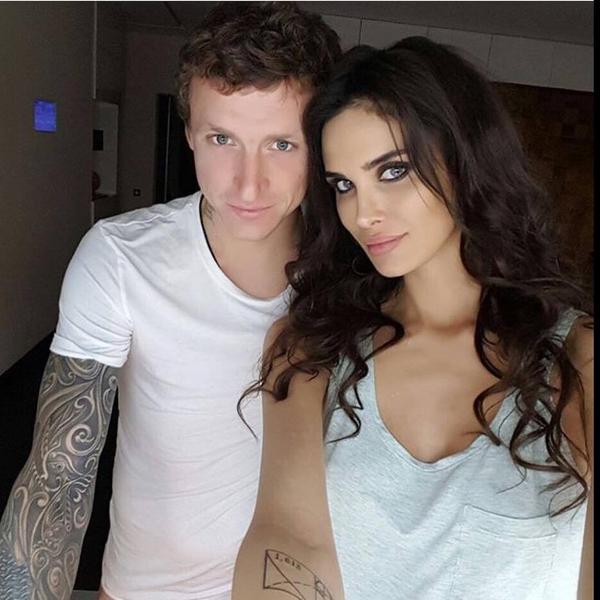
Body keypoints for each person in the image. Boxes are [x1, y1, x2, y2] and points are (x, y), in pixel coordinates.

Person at [0, 3, 341, 599]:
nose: (248, 182)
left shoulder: (355, 271)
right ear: (189, 134)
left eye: (282, 144)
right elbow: (58, 475)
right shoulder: (121, 259)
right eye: (222, 139)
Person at [232, 38, 593, 599]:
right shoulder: (310, 348)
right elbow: (286, 536)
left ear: (465, 160)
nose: (363, 213)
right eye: (344, 185)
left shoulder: (578, 358)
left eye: (393, 171)